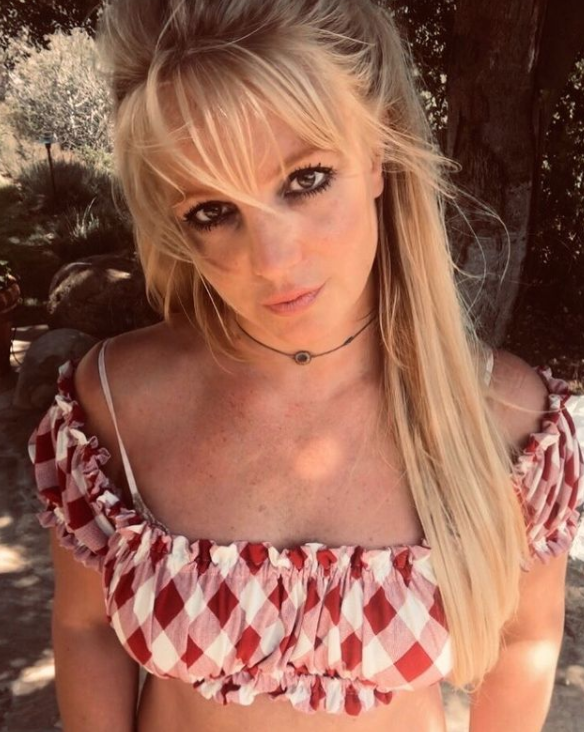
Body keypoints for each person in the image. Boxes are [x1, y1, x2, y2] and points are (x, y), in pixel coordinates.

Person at [27, 1, 584, 731]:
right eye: (212, 210)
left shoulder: (510, 423)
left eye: (306, 179)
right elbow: (87, 625)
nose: (272, 260)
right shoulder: (113, 406)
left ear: (377, 154)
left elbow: (525, 641)